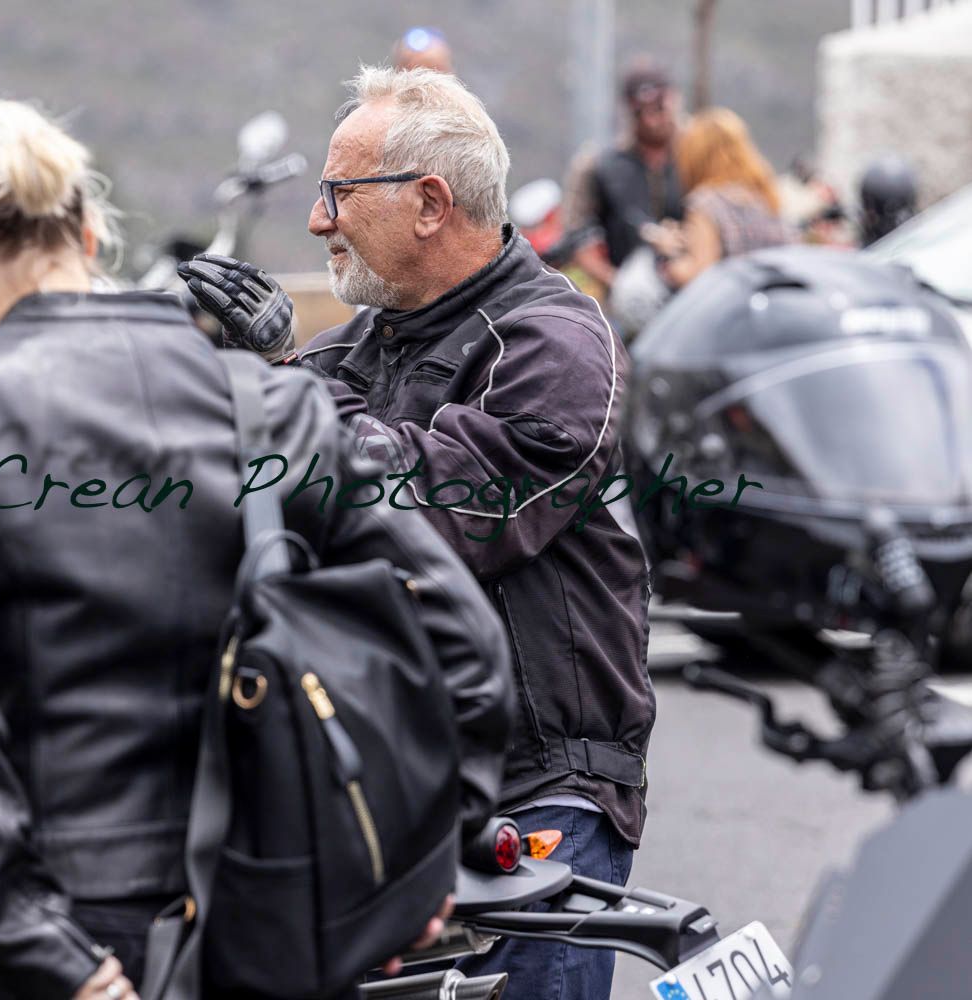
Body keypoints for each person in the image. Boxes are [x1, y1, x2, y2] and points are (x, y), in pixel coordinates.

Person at [0, 88, 513, 1000]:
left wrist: (57, 958)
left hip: (37, 943)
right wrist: (412, 874)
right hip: (261, 917)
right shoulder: (265, 402)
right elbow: (467, 643)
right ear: (87, 236)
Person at [181, 66, 654, 1000]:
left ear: (430, 202)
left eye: (337, 193)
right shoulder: (351, 349)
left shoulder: (557, 345)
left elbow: (430, 513)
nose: (318, 221)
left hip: (537, 791)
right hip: (369, 785)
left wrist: (278, 378)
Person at [566, 60, 685, 295]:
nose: (651, 120)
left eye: (659, 108)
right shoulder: (598, 165)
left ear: (674, 98)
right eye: (641, 112)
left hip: (696, 291)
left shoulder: (701, 154)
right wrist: (623, 286)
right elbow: (577, 239)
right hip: (628, 297)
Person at [646, 107, 795, 289]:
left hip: (732, 310)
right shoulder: (766, 197)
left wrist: (668, 254)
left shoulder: (706, 204)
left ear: (695, 156)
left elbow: (699, 275)